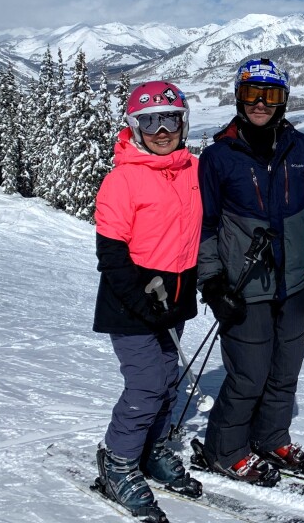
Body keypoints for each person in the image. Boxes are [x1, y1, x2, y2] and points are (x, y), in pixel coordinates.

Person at [196, 57, 304, 485]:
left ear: (283, 101)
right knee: (249, 373)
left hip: (292, 284)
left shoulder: (303, 150)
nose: (260, 103)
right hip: (243, 286)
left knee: (285, 368)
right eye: (252, 94)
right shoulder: (219, 157)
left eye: (270, 95)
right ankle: (225, 449)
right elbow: (205, 224)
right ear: (239, 98)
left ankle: (271, 436)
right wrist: (213, 282)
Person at [92, 81, 203, 520]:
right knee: (145, 384)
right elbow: (111, 252)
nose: (161, 130)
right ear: (135, 127)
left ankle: (151, 449)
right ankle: (118, 462)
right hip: (131, 302)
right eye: (150, 121)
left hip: (173, 298)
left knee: (169, 379)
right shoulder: (123, 178)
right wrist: (138, 300)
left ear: (183, 123)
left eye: (170, 119)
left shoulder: (192, 171)